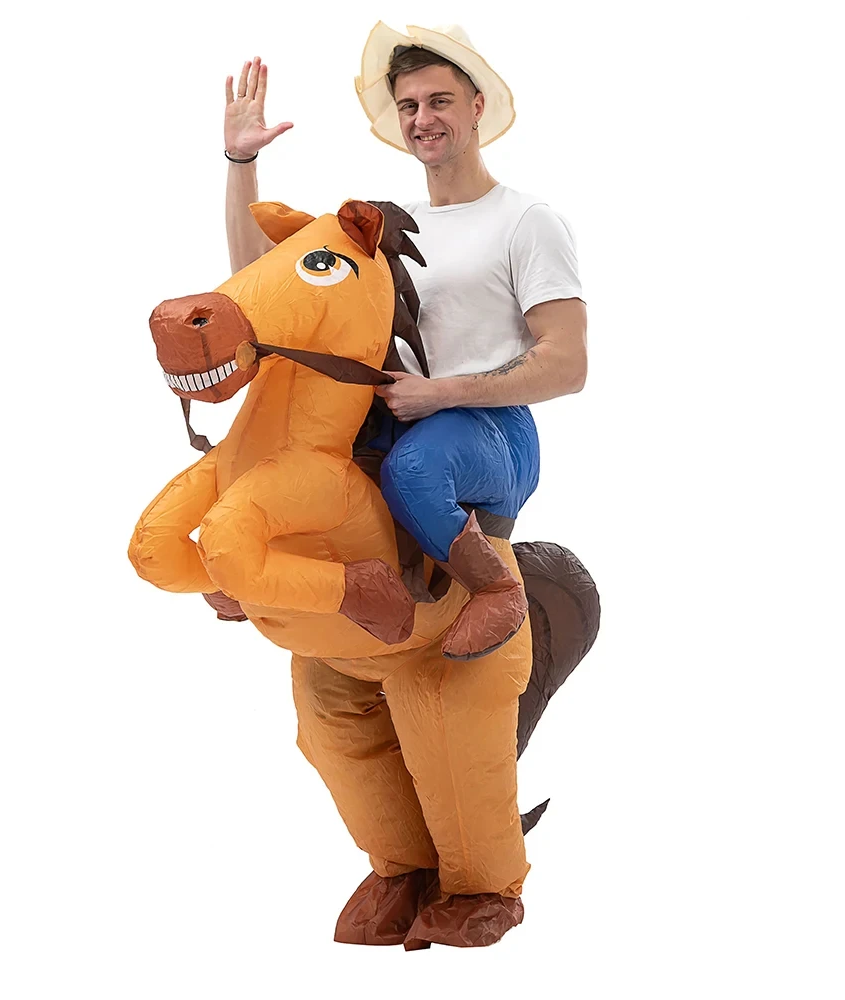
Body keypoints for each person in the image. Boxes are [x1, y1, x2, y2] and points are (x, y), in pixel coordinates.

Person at [220, 23, 588, 948]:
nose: (423, 118)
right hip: (396, 435)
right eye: (410, 105)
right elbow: (265, 294)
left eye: (440, 101)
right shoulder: (381, 230)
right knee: (325, 689)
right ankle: (400, 865)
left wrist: (443, 393)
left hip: (484, 436)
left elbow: (568, 363)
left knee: (417, 469)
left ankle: (495, 597)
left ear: (477, 108)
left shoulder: (525, 222)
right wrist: (240, 167)